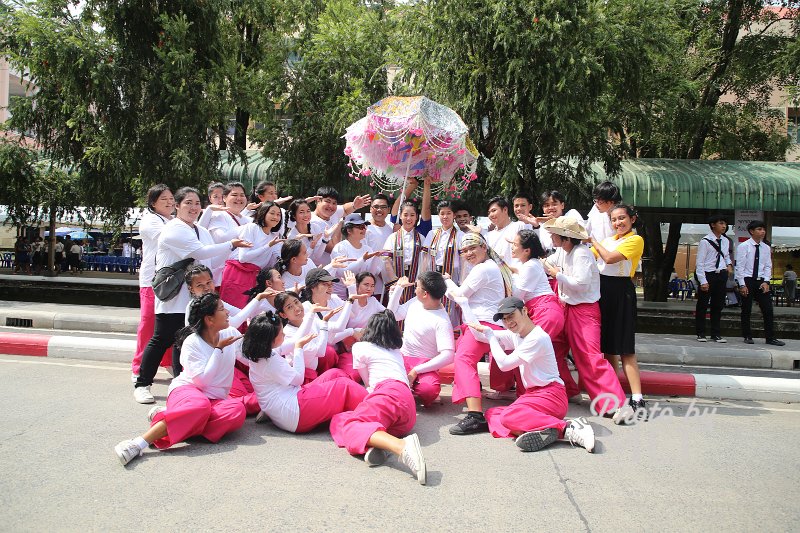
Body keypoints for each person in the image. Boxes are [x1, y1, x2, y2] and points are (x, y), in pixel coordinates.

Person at [134, 187, 251, 404]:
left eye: (197, 203)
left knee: (185, 339)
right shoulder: (173, 229)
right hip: (174, 295)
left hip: (193, 297)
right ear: (177, 206)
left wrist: (228, 249)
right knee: (162, 338)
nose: (193, 207)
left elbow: (211, 261)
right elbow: (200, 253)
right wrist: (231, 243)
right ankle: (142, 384)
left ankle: (181, 384)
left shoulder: (200, 230)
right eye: (188, 203)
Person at [114, 294, 256, 466]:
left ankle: (171, 418)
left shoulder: (230, 333)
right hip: (189, 391)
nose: (227, 312)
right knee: (200, 406)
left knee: (236, 411)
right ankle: (138, 443)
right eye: (221, 309)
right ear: (209, 320)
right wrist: (218, 350)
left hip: (215, 400)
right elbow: (203, 381)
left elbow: (250, 358)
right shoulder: (192, 343)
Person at [456, 296, 595, 452]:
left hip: (551, 395)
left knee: (508, 417)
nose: (508, 322)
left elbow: (504, 364)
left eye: (511, 316)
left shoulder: (537, 337)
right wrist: (464, 304)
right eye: (504, 319)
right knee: (492, 413)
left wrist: (491, 335)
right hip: (533, 396)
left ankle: (568, 428)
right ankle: (542, 430)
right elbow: (479, 335)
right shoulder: (516, 335)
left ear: (524, 311)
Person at [542, 216, 632, 423]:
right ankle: (570, 390)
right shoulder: (564, 252)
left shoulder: (581, 253)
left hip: (583, 311)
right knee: (553, 350)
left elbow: (581, 284)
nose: (551, 236)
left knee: (590, 358)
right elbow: (546, 263)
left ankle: (616, 404)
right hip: (567, 307)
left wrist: (557, 275)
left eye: (554, 233)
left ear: (565, 237)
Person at [329, 310, 428, 485]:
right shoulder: (396, 351)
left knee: (349, 425)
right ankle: (379, 444)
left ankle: (401, 447)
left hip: (387, 393)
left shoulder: (361, 347)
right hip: (407, 409)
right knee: (343, 418)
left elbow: (368, 384)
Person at [244, 312, 368, 432]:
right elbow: (298, 379)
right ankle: (374, 404)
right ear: (270, 340)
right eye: (281, 333)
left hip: (287, 407)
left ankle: (360, 405)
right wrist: (299, 349)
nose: (284, 334)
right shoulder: (270, 360)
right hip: (295, 413)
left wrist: (308, 327)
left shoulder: (260, 353)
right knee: (343, 385)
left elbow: (290, 343)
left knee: (334, 374)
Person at [443, 232, 514, 435]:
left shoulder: (483, 269)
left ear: (484, 247)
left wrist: (447, 281)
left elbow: (459, 295)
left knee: (463, 360)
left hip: (481, 324)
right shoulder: (493, 266)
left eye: (472, 248)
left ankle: (475, 415)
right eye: (464, 250)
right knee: (467, 359)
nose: (468, 253)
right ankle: (481, 395)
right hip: (490, 323)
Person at [590, 204, 646, 413]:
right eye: (613, 220)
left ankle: (638, 397)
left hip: (622, 292)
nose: (617, 223)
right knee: (608, 347)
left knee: (625, 347)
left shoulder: (635, 239)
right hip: (602, 291)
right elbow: (589, 255)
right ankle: (613, 392)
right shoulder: (607, 241)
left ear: (632, 219)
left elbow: (610, 258)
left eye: (622, 218)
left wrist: (592, 239)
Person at [387, 271, 455, 407]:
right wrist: (398, 289)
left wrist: (416, 371)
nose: (414, 290)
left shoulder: (442, 321)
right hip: (402, 357)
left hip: (425, 365)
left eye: (416, 287)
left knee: (428, 391)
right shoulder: (415, 303)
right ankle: (406, 389)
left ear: (425, 294)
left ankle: (411, 388)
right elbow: (392, 314)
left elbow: (448, 355)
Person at [132, 185, 176, 383]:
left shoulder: (174, 221)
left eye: (171, 198)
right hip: (153, 280)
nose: (169, 202)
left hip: (172, 280)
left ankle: (166, 362)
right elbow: (169, 240)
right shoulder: (150, 220)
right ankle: (139, 367)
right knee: (149, 323)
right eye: (163, 199)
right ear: (153, 203)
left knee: (168, 323)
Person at [220, 201, 283, 310]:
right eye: (272, 213)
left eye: (278, 215)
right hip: (237, 273)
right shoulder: (252, 228)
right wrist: (267, 246)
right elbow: (243, 258)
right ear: (263, 213)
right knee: (231, 311)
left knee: (245, 312)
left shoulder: (274, 236)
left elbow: (273, 260)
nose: (276, 217)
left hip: (254, 277)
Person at [736, 220, 785, 346]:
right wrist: (742, 284)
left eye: (763, 229)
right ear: (752, 231)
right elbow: (739, 267)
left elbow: (768, 266)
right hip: (747, 280)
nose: (762, 232)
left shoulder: (766, 247)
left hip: (761, 281)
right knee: (746, 309)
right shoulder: (743, 246)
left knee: (768, 309)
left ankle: (770, 337)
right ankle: (747, 335)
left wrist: (766, 281)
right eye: (759, 229)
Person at [422, 200, 465, 327]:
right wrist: (423, 278)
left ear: (454, 215)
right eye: (442, 213)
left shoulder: (460, 235)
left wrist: (461, 283)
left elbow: (463, 261)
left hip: (452, 275)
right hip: (434, 275)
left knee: (450, 307)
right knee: (433, 305)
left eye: (448, 213)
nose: (445, 217)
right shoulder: (432, 234)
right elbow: (425, 257)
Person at [694, 214, 733, 343]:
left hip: (721, 274)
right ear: (713, 225)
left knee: (718, 305)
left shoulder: (726, 240)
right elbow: (700, 262)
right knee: (703, 305)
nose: (724, 226)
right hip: (708, 274)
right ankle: (701, 333)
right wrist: (703, 281)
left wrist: (729, 265)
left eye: (725, 224)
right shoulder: (705, 241)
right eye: (721, 223)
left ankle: (716, 333)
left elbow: (726, 255)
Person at [383, 199, 428, 305]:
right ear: (400, 216)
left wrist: (420, 281)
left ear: (416, 217)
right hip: (397, 278)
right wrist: (394, 282)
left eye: (412, 215)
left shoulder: (421, 238)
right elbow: (386, 261)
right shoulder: (392, 237)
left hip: (415, 280)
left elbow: (425, 261)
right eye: (405, 215)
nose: (409, 218)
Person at [311, 186, 372, 264]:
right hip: (319, 269)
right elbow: (333, 248)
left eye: (334, 203)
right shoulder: (313, 222)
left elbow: (345, 209)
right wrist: (340, 224)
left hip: (334, 268)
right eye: (328, 201)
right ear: (318, 200)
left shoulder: (333, 212)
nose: (331, 206)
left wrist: (354, 206)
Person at [329, 213, 385, 299]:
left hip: (361, 295)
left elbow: (371, 273)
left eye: (364, 226)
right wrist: (363, 259)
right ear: (349, 230)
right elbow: (344, 273)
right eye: (360, 227)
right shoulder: (340, 247)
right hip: (341, 297)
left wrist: (376, 257)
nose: (364, 229)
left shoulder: (368, 249)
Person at [207, 182, 251, 284]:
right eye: (234, 195)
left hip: (243, 273)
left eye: (242, 195)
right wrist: (247, 229)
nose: (239, 198)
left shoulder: (248, 220)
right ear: (224, 198)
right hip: (221, 275)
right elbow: (221, 238)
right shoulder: (218, 215)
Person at [485, 196, 528, 266]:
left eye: (493, 211)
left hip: (517, 274)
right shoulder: (488, 236)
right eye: (489, 213)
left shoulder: (519, 226)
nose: (491, 215)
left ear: (505, 210)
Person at [285, 199, 326, 266]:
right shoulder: (292, 236)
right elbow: (299, 261)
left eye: (308, 211)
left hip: (316, 265)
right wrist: (311, 247)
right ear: (294, 215)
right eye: (301, 212)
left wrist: (326, 239)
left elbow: (317, 256)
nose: (306, 215)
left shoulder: (315, 228)